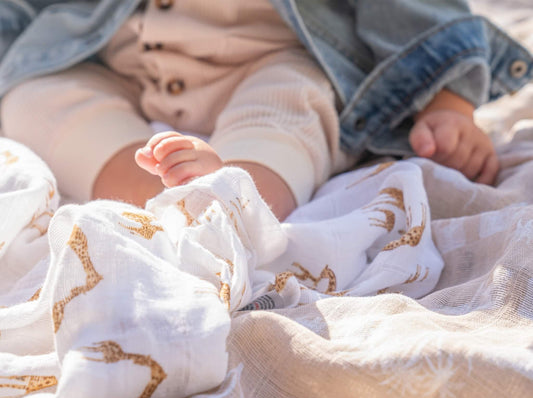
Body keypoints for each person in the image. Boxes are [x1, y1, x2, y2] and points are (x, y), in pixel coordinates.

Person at [1, 1, 532, 221]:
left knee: (294, 102)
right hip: (125, 67)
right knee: (32, 96)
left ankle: (237, 197)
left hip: (270, 58)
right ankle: (158, 195)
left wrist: (448, 100)